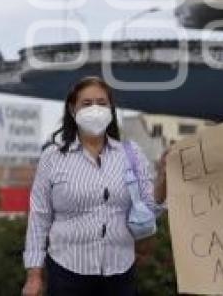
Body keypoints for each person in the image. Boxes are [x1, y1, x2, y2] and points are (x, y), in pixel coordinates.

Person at [21, 76, 170, 296]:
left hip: (120, 272)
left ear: (111, 109)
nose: (95, 109)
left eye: (102, 103)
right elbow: (39, 217)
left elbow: (151, 208)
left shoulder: (131, 154)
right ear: (73, 110)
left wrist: (163, 177)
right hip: (67, 270)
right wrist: (34, 276)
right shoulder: (53, 157)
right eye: (87, 103)